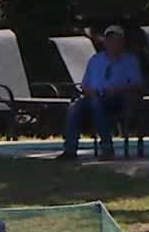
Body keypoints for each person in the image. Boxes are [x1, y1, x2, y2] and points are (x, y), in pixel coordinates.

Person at [59, 24, 144, 161]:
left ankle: (107, 148)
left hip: (120, 98)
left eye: (116, 40)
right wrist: (90, 91)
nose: (112, 43)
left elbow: (137, 84)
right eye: (109, 40)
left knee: (97, 104)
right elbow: (84, 84)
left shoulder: (130, 60)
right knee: (75, 107)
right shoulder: (95, 60)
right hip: (95, 96)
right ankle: (70, 150)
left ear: (122, 42)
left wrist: (118, 88)